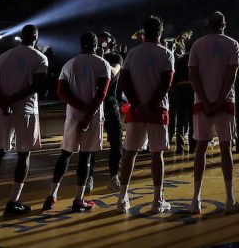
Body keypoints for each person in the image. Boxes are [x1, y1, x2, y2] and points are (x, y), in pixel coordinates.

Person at [0, 24, 48, 215]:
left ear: (20, 37)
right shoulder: (40, 57)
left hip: (4, 109)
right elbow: (37, 85)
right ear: (36, 38)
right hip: (25, 109)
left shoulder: (3, 57)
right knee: (24, 154)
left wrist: (3, 101)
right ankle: (13, 201)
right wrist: (12, 100)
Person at [43, 32, 111, 212]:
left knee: (65, 154)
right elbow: (101, 94)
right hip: (93, 115)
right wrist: (87, 114)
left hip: (73, 115)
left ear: (80, 45)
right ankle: (78, 199)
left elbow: (62, 93)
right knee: (86, 156)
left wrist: (79, 108)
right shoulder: (102, 64)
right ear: (96, 45)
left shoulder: (69, 64)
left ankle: (51, 195)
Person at [116, 16, 174, 214]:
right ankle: (157, 201)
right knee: (157, 155)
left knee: (129, 154)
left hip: (137, 110)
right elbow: (166, 85)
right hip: (157, 110)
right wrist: (149, 104)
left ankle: (122, 199)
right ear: (161, 32)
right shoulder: (166, 53)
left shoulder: (132, 53)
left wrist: (137, 103)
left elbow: (124, 81)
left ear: (144, 31)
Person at [188, 12, 239, 214]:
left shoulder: (197, 45)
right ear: (224, 25)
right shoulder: (232, 44)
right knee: (225, 149)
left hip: (202, 103)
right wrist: (219, 101)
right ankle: (229, 199)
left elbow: (193, 75)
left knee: (200, 149)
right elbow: (231, 75)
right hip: (225, 103)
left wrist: (206, 100)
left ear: (208, 25)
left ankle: (196, 199)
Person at [102, 51, 124, 192]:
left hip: (110, 102)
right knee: (90, 143)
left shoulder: (116, 58)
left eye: (106, 41)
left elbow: (113, 72)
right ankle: (89, 177)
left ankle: (113, 176)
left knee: (116, 140)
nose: (104, 43)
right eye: (101, 41)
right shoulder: (95, 57)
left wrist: (99, 60)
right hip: (94, 103)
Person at [170, 31, 194, 155]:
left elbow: (173, 78)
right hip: (192, 91)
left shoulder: (178, 60)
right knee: (192, 120)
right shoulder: (195, 60)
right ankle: (192, 147)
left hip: (180, 92)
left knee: (180, 121)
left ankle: (179, 148)